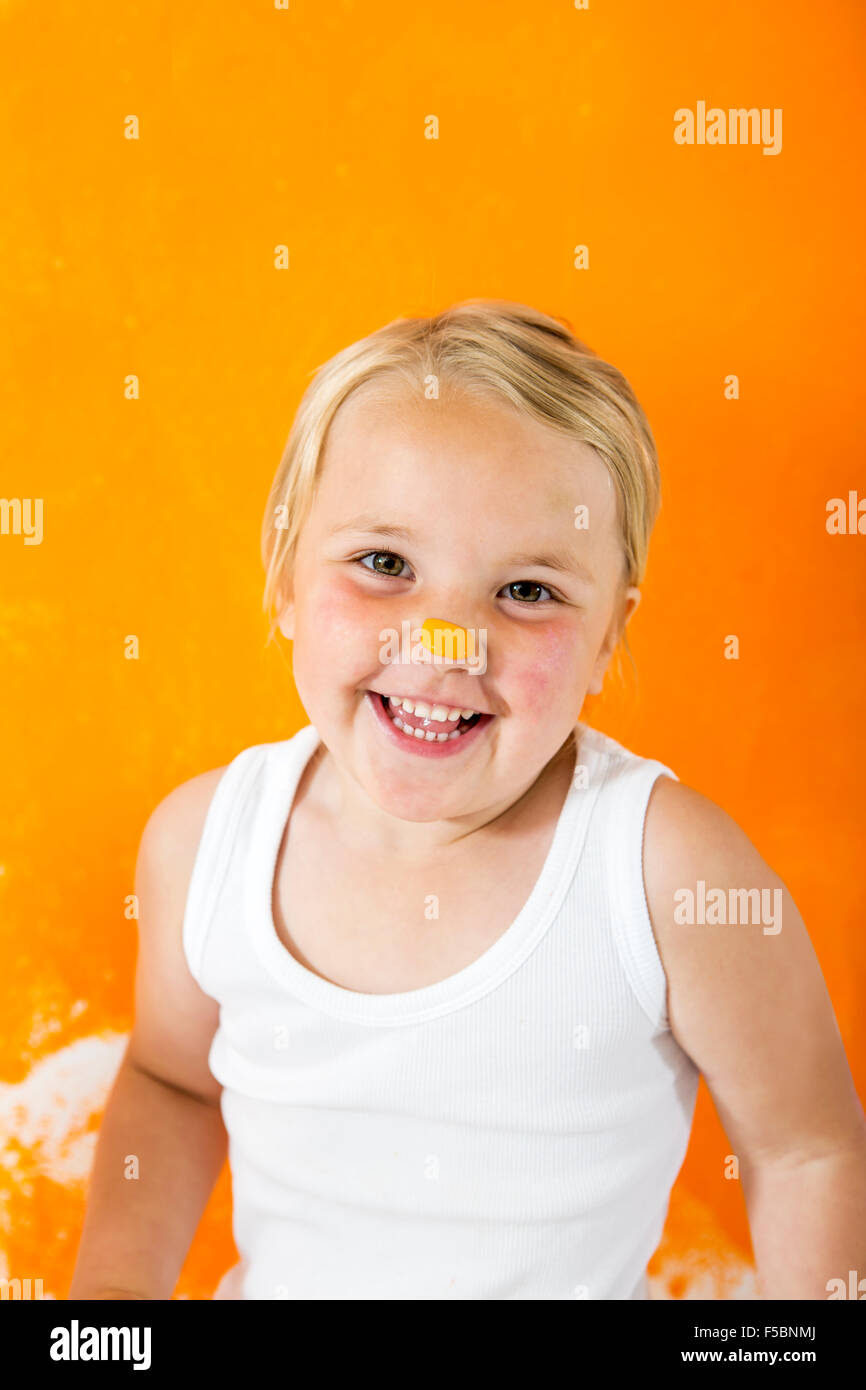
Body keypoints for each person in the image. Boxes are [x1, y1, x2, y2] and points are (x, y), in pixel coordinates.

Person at [69, 300, 866, 1301]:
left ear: (608, 637)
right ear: (281, 573)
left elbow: (805, 1150)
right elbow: (172, 1082)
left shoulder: (663, 871)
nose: (445, 640)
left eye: (525, 591)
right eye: (385, 565)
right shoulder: (207, 844)